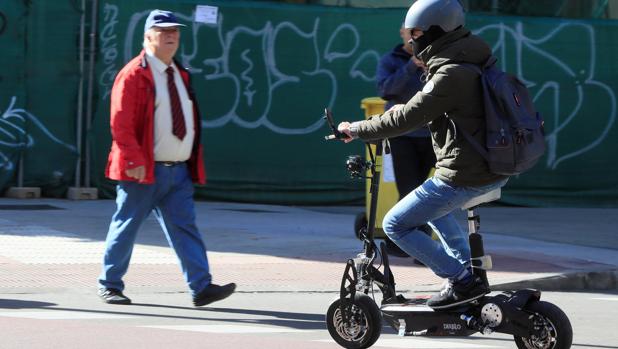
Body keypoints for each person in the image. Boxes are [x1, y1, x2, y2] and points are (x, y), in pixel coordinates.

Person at [337, 0, 508, 310]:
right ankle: (465, 274)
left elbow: (405, 118)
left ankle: (461, 280)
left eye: (415, 32)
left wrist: (358, 129)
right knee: (433, 209)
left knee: (395, 225)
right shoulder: (474, 59)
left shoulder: (450, 73)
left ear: (435, 31)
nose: (411, 38)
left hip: (464, 172)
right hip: (488, 166)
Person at [98, 9, 235, 307]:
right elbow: (120, 123)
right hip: (143, 171)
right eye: (163, 31)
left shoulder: (179, 73)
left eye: (174, 31)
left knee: (185, 227)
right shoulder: (134, 74)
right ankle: (110, 284)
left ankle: (201, 287)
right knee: (126, 226)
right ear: (148, 37)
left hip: (178, 172)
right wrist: (133, 161)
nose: (171, 36)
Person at [377, 23, 437, 261]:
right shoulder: (391, 60)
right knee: (409, 190)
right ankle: (414, 243)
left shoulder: (436, 59)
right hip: (402, 136)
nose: (413, 38)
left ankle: (421, 243)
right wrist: (411, 66)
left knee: (433, 192)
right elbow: (386, 90)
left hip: (432, 135)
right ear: (402, 34)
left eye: (417, 33)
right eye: (408, 32)